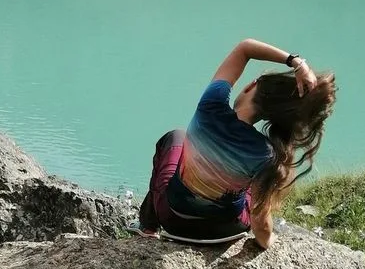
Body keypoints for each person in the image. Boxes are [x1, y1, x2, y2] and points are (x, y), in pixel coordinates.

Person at [136, 39, 336, 248]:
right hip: (226, 231)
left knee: (175, 137)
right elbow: (261, 225)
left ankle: (148, 226)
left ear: (251, 85)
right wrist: (269, 241)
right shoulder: (267, 154)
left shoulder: (211, 105)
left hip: (173, 220)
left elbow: (245, 48)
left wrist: (296, 62)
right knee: (250, 188)